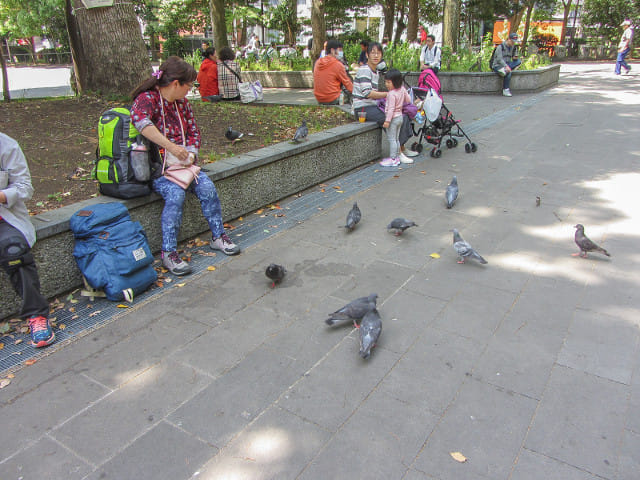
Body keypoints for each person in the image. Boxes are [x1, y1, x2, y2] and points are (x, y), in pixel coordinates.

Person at [130, 57, 240, 276]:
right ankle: (168, 253)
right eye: (189, 85)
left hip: (185, 167)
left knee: (207, 188)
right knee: (175, 195)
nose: (190, 90)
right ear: (175, 83)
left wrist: (190, 154)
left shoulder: (183, 105)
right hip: (158, 170)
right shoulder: (147, 99)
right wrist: (171, 148)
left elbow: (193, 133)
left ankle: (218, 236)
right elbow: (141, 123)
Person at [0, 133, 54, 347]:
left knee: (15, 251)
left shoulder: (7, 145)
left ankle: (37, 316)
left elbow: (25, 188)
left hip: (6, 217)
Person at [352, 42, 418, 164]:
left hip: (372, 105)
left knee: (401, 115)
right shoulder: (364, 70)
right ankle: (398, 154)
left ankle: (401, 148)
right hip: (362, 108)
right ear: (367, 55)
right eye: (373, 53)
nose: (376, 56)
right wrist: (388, 94)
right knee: (392, 118)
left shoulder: (375, 71)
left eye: (379, 53)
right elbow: (368, 93)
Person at [379, 69, 411, 167]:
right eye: (386, 82)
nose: (386, 84)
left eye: (389, 82)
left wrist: (387, 121)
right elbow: (408, 100)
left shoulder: (391, 94)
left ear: (395, 82)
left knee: (392, 139)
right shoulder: (402, 89)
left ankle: (393, 159)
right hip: (400, 117)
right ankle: (397, 157)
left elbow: (391, 109)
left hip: (393, 119)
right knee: (396, 139)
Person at [313, 39, 353, 105]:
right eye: (339, 50)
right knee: (351, 95)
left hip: (319, 98)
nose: (341, 52)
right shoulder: (337, 64)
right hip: (333, 98)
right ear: (332, 50)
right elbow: (348, 84)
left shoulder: (317, 62)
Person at [491, 32, 521, 97]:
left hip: (508, 64)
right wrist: (506, 66)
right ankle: (506, 89)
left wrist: (514, 57)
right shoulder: (500, 47)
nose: (513, 43)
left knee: (518, 61)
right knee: (508, 72)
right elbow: (499, 59)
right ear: (509, 40)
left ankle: (505, 70)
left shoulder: (513, 47)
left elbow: (514, 57)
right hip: (498, 65)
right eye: (512, 41)